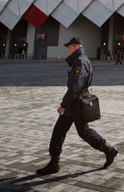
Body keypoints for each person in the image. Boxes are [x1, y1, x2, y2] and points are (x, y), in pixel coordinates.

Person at [36, 37, 117, 175]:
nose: (68, 49)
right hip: (75, 103)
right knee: (63, 132)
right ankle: (54, 163)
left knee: (81, 132)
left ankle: (109, 150)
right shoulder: (81, 60)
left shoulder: (80, 61)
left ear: (76, 47)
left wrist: (63, 105)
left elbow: (75, 86)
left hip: (76, 104)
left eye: (70, 46)